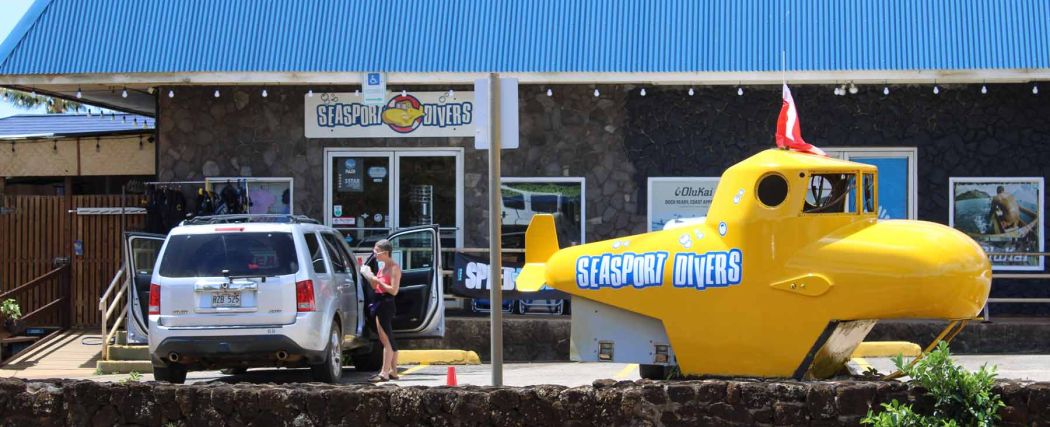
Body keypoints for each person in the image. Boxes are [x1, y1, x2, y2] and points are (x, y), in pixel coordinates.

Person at [359, 239, 401, 382]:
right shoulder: (382, 268)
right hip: (378, 302)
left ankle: (384, 372)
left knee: (386, 340)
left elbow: (394, 290)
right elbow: (374, 285)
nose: (374, 254)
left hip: (386, 303)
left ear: (385, 252)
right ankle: (393, 371)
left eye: (376, 251)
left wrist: (378, 281)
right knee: (388, 338)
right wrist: (369, 275)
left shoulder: (394, 268)